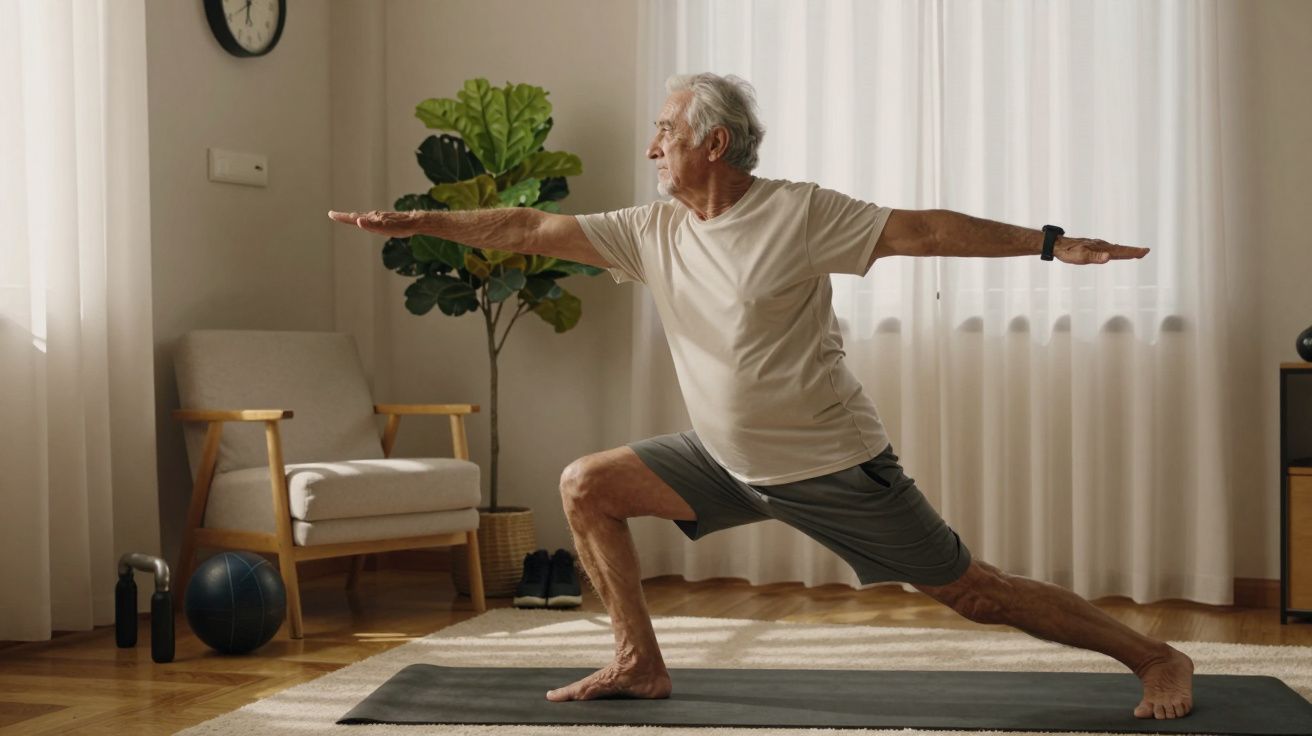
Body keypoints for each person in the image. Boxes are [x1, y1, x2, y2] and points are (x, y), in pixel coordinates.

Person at [329, 72, 1193, 720]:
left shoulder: (799, 214)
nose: (651, 147)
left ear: (714, 143)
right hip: (723, 460)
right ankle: (638, 662)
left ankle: (1156, 658)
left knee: (975, 593)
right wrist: (422, 222)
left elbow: (923, 229)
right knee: (587, 485)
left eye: (665, 130)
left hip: (831, 466)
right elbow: (526, 227)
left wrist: (1050, 243)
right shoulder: (649, 229)